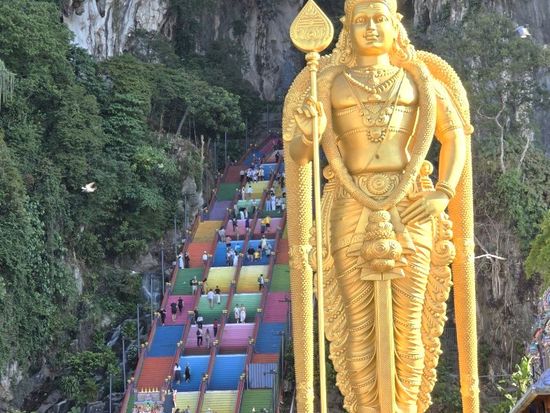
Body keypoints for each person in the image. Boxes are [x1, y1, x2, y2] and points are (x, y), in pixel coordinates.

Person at [285, 0, 475, 410]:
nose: (371, 28)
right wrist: (309, 133)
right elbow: (299, 156)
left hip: (411, 203)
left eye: (379, 19)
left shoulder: (418, 79)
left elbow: (455, 134)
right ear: (347, 28)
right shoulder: (327, 83)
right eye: (361, 21)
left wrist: (443, 191)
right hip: (349, 203)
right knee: (357, 327)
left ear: (395, 24)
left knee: (410, 324)